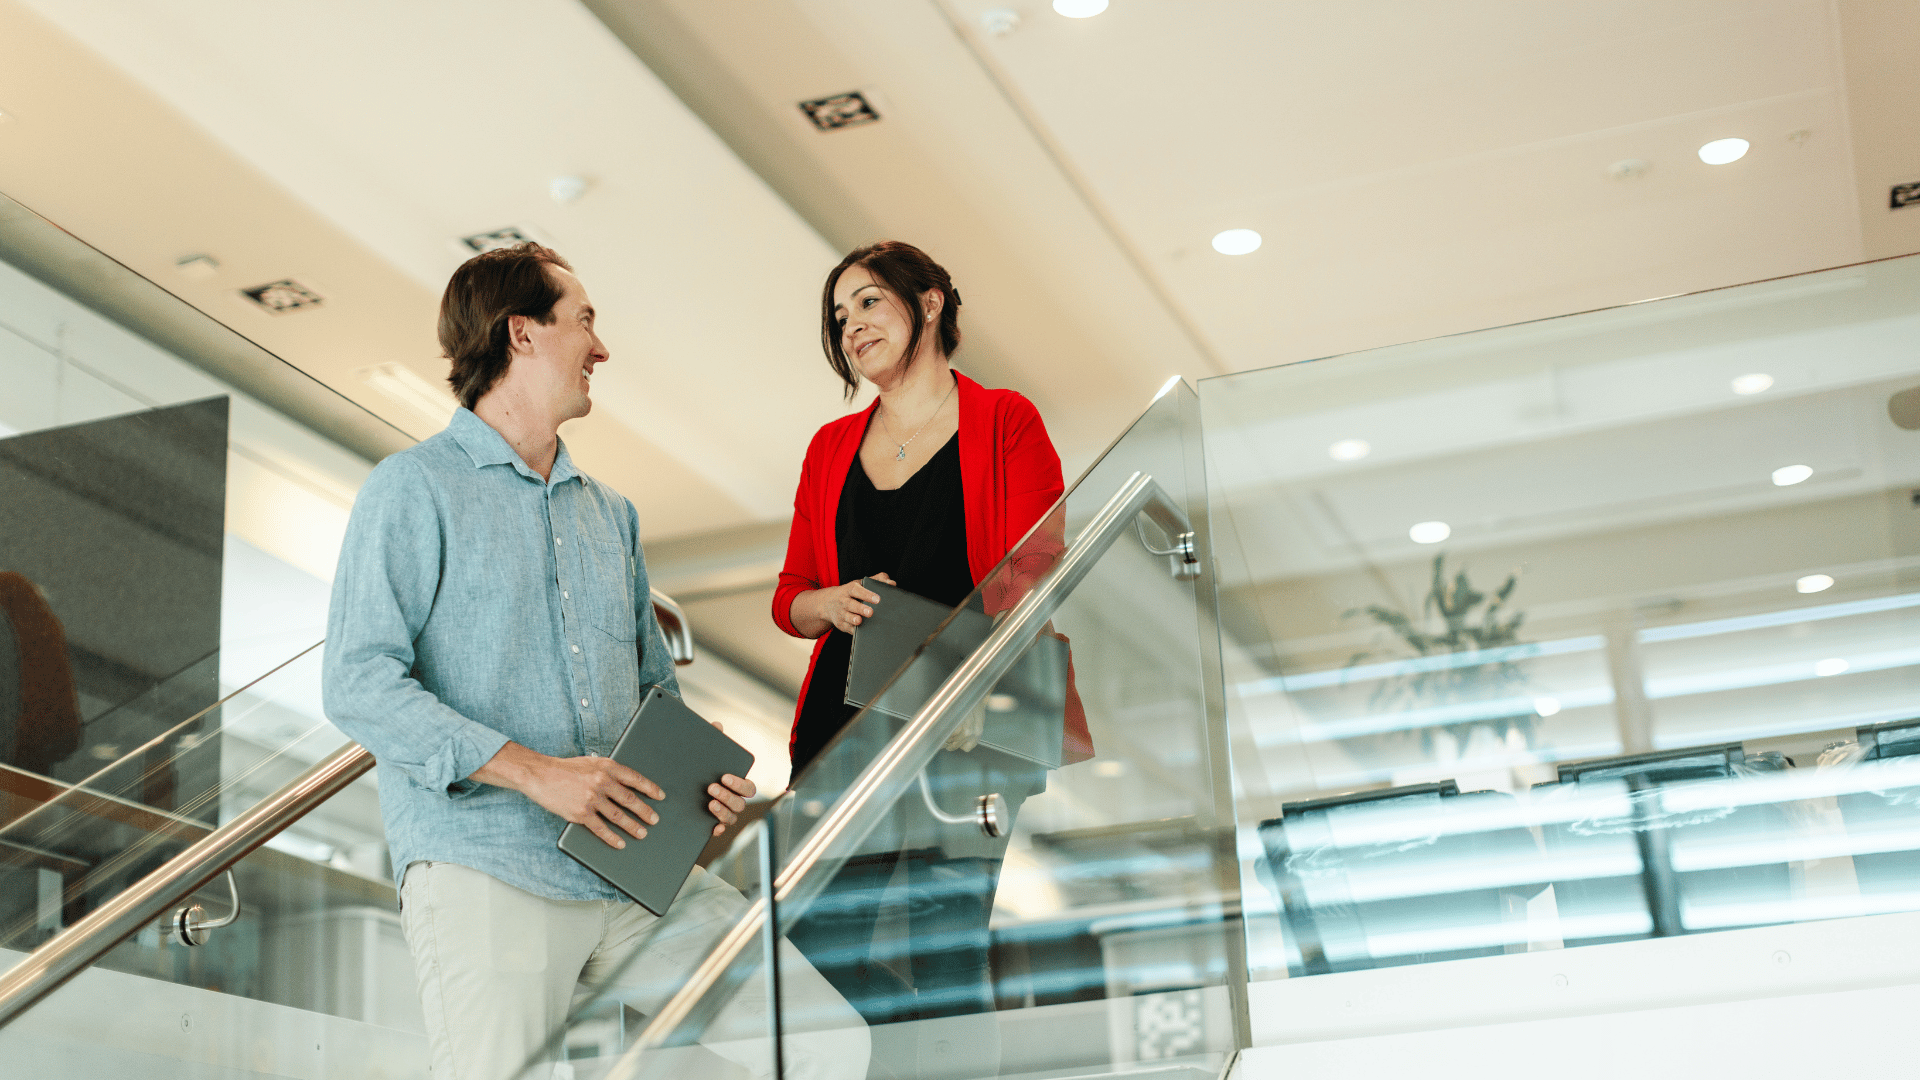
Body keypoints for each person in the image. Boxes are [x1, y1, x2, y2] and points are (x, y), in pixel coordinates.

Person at [324, 243, 867, 1080]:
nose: (601, 349)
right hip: (488, 869)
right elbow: (358, 681)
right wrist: (537, 773)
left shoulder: (610, 516)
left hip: (631, 874)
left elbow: (654, 692)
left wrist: (696, 778)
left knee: (828, 1042)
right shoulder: (413, 489)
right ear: (522, 334)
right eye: (584, 321)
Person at [770, 241, 1090, 1074]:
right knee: (811, 936)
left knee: (947, 945)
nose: (852, 327)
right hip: (847, 731)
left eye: (870, 303)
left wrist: (972, 689)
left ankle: (932, 1054)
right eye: (840, 318)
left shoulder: (1005, 419)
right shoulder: (830, 446)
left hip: (972, 726)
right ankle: (912, 1056)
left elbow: (1035, 567)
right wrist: (829, 602)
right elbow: (791, 596)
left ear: (934, 302)